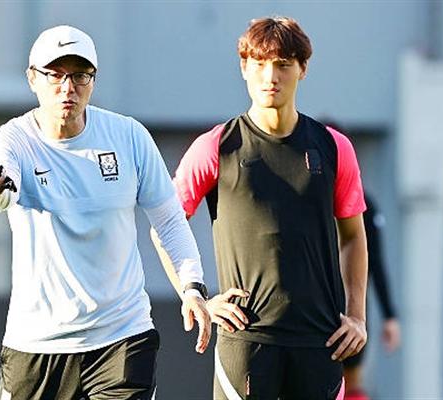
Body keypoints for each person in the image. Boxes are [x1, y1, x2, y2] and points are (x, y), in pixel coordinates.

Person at [0, 25, 211, 400]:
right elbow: (2, 187)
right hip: (36, 344)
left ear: (93, 81)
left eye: (80, 75)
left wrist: (192, 286)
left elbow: (168, 219)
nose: (68, 88)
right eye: (55, 75)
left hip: (122, 337)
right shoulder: (12, 139)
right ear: (32, 79)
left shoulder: (129, 136)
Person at [155, 16, 369, 399]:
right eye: (259, 64)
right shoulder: (217, 146)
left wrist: (357, 316)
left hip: (320, 341)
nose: (270, 76)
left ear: (303, 69)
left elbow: (353, 237)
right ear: (244, 68)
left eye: (283, 64)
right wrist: (195, 295)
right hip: (246, 341)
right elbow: (165, 225)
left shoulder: (334, 148)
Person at [343, 194, 401, 400]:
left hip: (352, 310)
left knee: (349, 380)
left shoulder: (363, 205)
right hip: (334, 308)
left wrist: (389, 315)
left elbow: (375, 261)